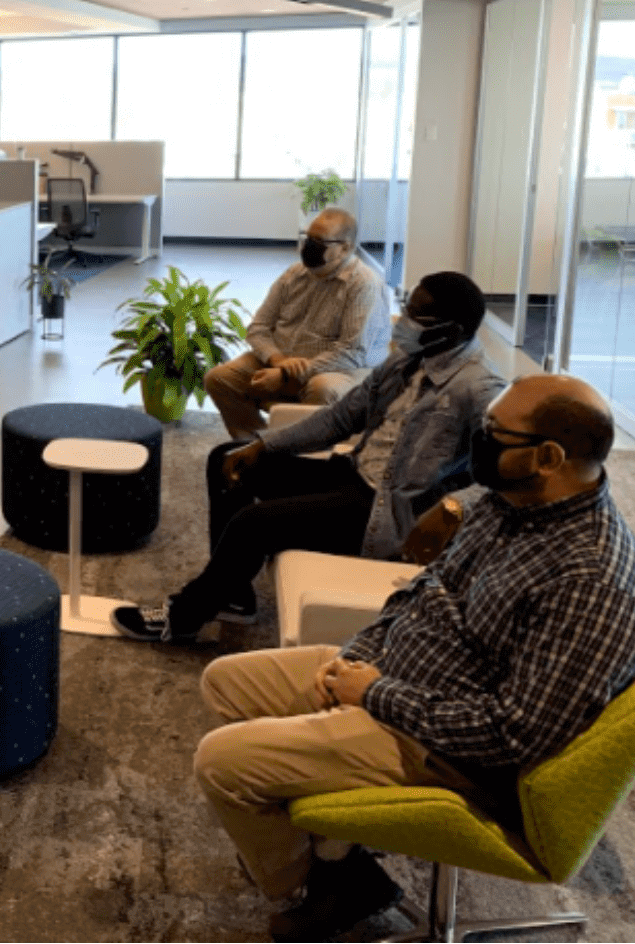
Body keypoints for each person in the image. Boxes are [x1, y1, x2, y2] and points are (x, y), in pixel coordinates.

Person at [192, 373, 635, 943]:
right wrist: (361, 658)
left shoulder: (589, 577)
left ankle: (315, 886)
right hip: (395, 674)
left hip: (447, 749)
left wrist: (372, 694)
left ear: (549, 457)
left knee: (221, 764)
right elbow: (428, 587)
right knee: (225, 683)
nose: (481, 441)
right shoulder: (514, 500)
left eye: (495, 433)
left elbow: (514, 734)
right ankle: (337, 857)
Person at [112, 271, 503, 642]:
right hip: (354, 473)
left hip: (383, 511)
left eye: (418, 316)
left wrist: (452, 507)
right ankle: (232, 595)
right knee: (227, 459)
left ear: (451, 331)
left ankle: (183, 619)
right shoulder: (406, 360)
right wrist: (262, 444)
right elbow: (341, 417)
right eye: (408, 306)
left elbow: (506, 476)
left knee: (253, 524)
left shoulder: (480, 390)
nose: (404, 321)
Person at [205, 210, 391, 440]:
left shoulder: (364, 285)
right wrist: (279, 361)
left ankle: (301, 456)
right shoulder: (294, 273)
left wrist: (287, 375)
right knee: (220, 378)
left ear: (345, 248)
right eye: (308, 238)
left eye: (320, 242)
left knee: (322, 389)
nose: (310, 247)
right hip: (284, 359)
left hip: (341, 369)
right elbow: (258, 327)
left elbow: (353, 351)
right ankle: (257, 446)